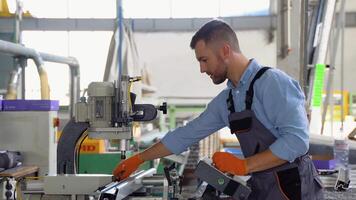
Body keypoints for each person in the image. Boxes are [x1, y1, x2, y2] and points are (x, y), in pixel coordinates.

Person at [113, 19, 324, 199]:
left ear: (224, 51)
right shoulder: (229, 100)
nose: (202, 69)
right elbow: (186, 134)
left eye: (204, 60)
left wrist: (244, 165)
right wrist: (140, 158)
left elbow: (297, 141)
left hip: (295, 187)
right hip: (264, 186)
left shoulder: (273, 83)